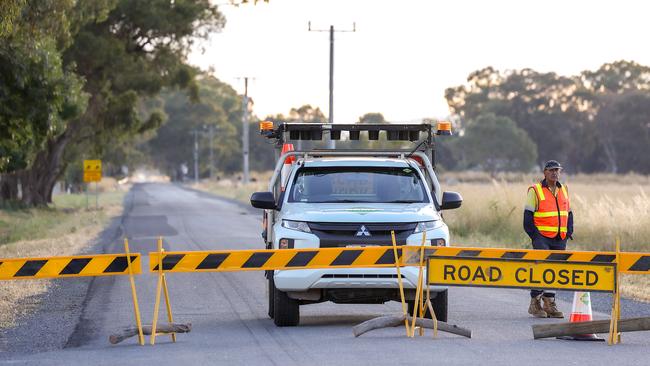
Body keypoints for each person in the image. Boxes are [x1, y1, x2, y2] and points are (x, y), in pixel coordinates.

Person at [524, 160, 573, 318]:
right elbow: (527, 217)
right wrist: (535, 237)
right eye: (551, 170)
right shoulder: (535, 190)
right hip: (542, 238)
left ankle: (549, 303)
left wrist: (569, 231)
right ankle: (535, 303)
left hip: (560, 237)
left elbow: (569, 213)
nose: (555, 173)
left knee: (556, 270)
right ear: (544, 172)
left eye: (557, 170)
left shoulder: (564, 189)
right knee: (541, 268)